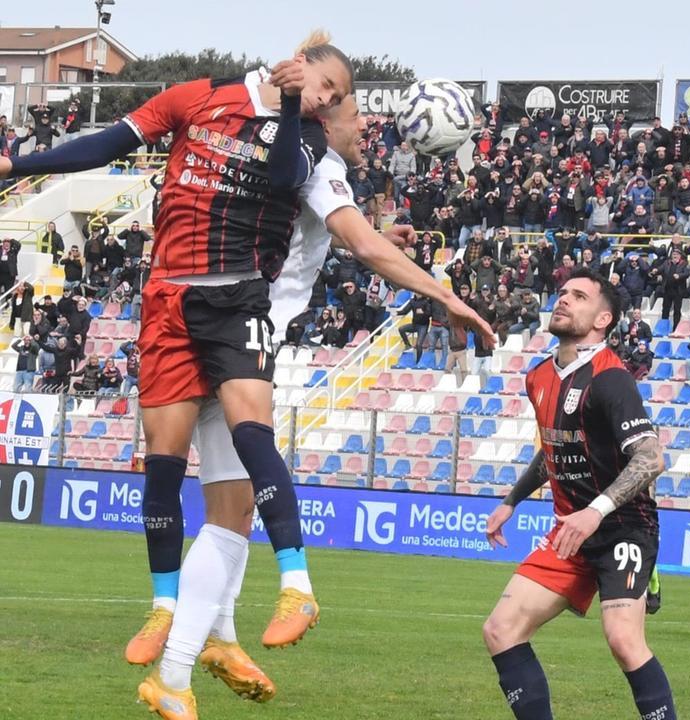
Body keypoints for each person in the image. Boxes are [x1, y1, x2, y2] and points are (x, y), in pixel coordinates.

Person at [0, 36, 358, 718]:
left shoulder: (308, 139)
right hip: (172, 301)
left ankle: (281, 592)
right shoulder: (201, 97)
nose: (332, 102)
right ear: (302, 60)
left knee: (242, 479)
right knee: (177, 474)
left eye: (338, 100)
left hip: (241, 307)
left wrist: (290, 107)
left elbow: (295, 186)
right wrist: (18, 162)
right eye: (328, 86)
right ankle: (193, 629)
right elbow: (107, 143)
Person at [137, 89, 497, 715]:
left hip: (205, 322)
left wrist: (379, 230)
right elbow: (367, 251)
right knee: (229, 516)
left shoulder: (292, 163)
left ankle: (213, 641)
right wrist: (445, 296)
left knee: (232, 513)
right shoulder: (319, 165)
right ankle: (179, 668)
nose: (367, 128)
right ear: (326, 121)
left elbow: (326, 233)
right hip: (236, 339)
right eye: (357, 117)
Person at [481, 268, 676, 720]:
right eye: (563, 292)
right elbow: (554, 447)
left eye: (579, 296)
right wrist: (511, 501)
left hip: (624, 526)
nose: (564, 299)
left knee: (624, 641)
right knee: (501, 630)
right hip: (571, 530)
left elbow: (651, 459)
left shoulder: (612, 379)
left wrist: (596, 511)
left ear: (603, 319)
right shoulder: (538, 377)